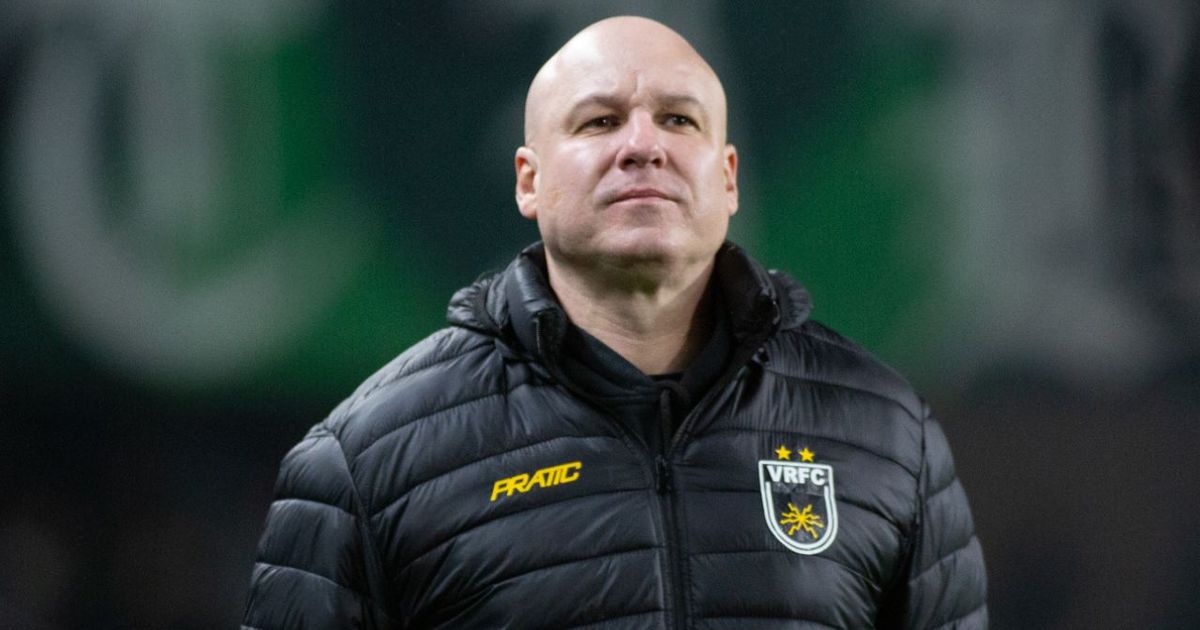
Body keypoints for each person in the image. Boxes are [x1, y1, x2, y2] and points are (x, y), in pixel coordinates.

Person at [242, 16, 986, 629]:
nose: (643, 146)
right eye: (600, 121)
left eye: (678, 120)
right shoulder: (366, 460)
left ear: (728, 178)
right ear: (528, 181)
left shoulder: (888, 435)